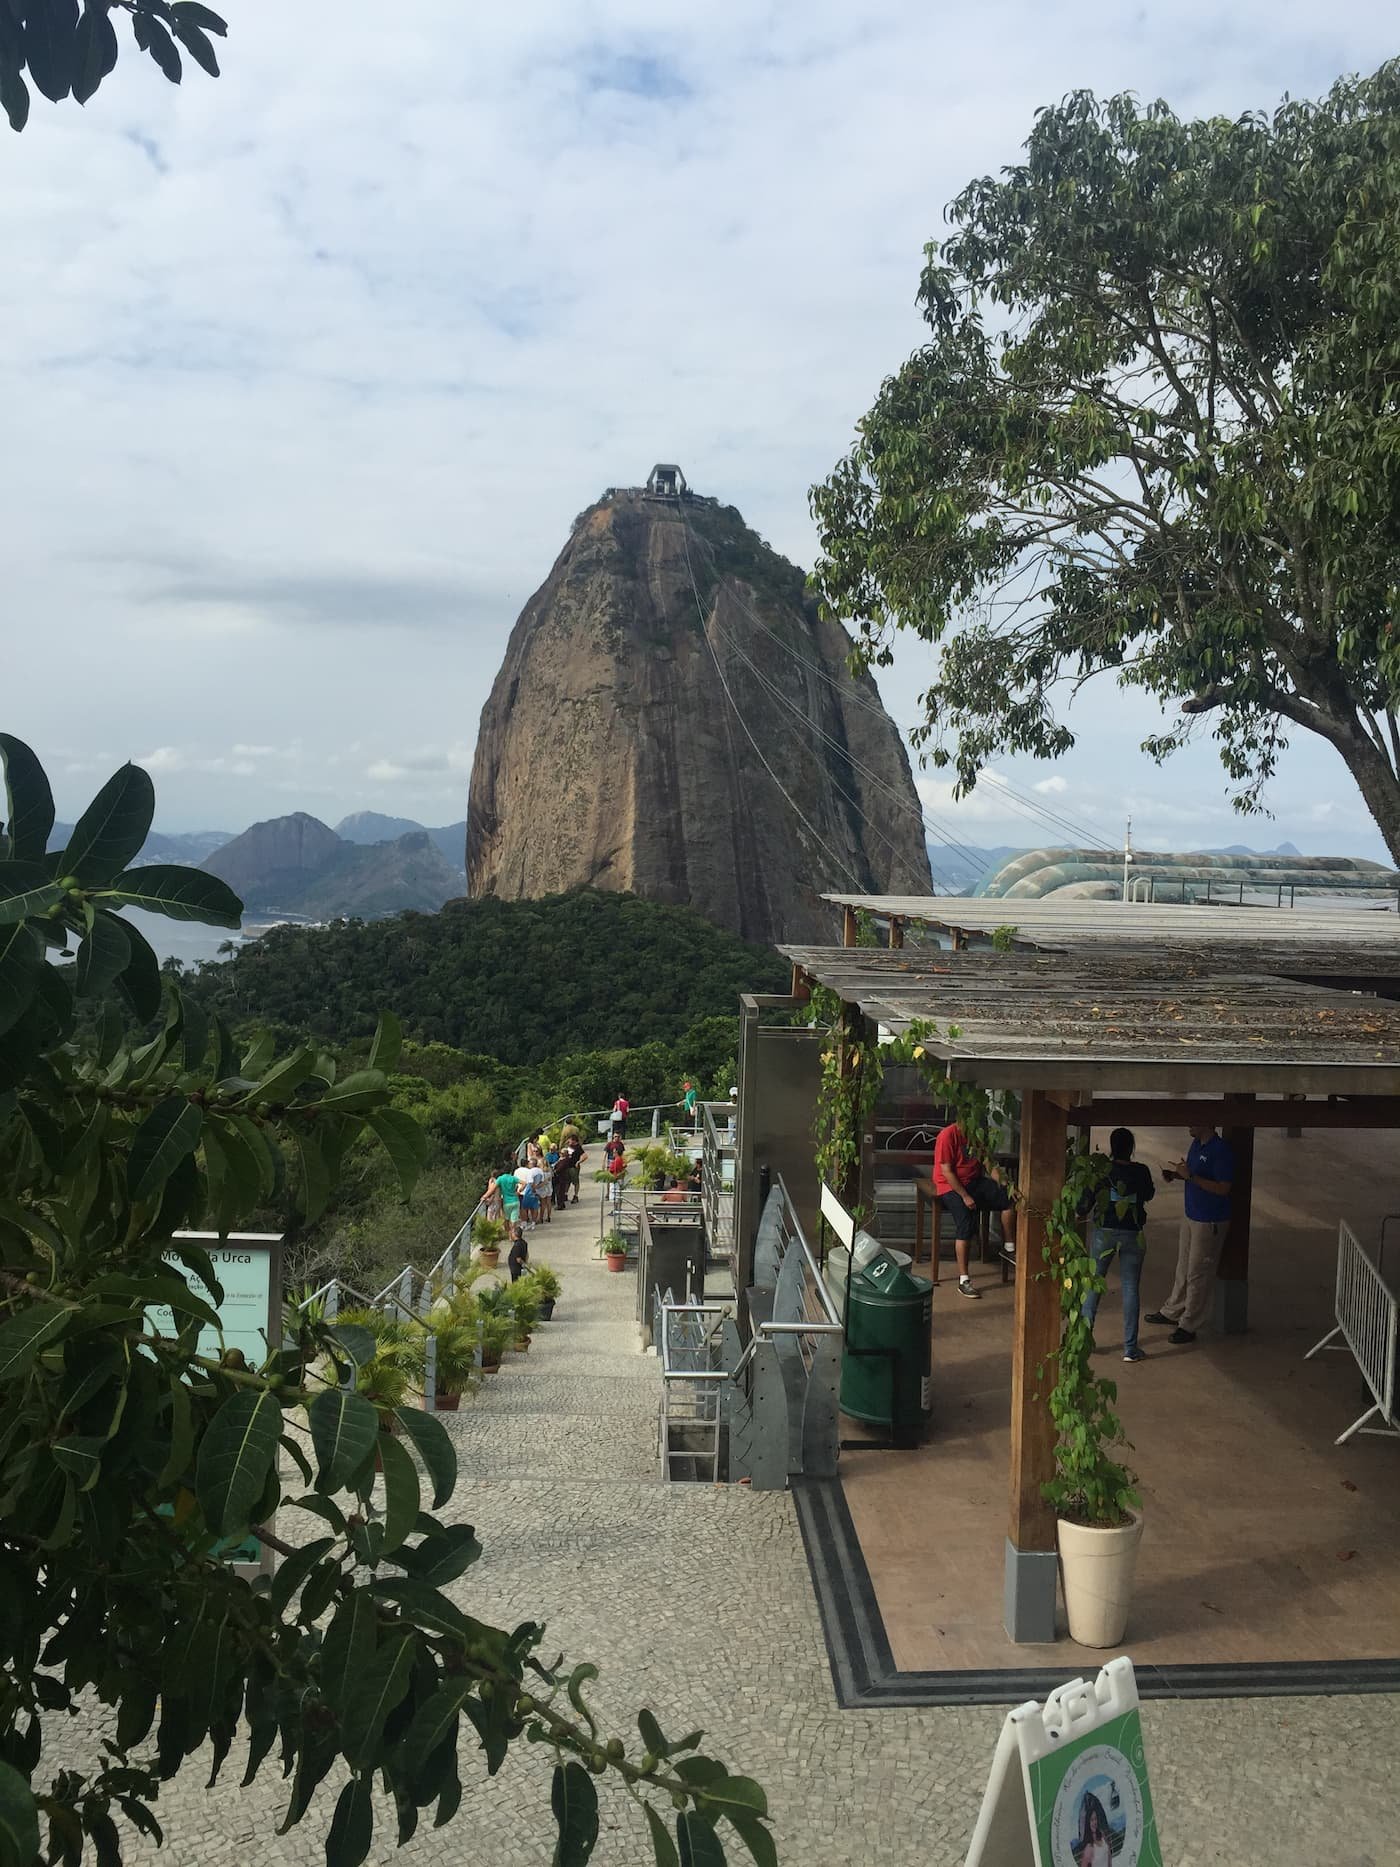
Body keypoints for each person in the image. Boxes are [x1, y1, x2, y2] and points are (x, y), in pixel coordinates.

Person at [1145, 1122, 1235, 1343]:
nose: (1188, 1125)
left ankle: (1190, 1324)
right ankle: (1173, 1310)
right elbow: (1192, 1174)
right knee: (1183, 1266)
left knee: (1198, 1272)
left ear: (1206, 1122)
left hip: (1209, 1219)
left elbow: (1224, 1188)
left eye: (1193, 1120)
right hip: (1191, 1213)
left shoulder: (1221, 1151)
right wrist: (1177, 1175)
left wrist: (1191, 1178)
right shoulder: (1196, 1144)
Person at [1080, 1128, 1155, 1363]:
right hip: (1133, 1233)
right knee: (1130, 1288)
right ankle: (1130, 1348)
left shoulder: (1101, 1171)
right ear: (1131, 1147)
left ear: (1112, 1147)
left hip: (1105, 1232)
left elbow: (1084, 1204)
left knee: (1094, 1284)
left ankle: (1084, 1341)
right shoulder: (1141, 1171)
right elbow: (1149, 1194)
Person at [932, 1120, 1015, 1299]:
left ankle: (1009, 1247)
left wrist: (1006, 1184)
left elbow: (989, 1164)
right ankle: (964, 1280)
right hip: (950, 1185)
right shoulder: (948, 1135)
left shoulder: (977, 1134)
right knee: (966, 1224)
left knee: (1008, 1199)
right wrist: (965, 1196)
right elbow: (946, 1171)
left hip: (973, 1181)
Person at [1077, 1793, 1112, 1867]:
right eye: (1091, 1820)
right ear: (1087, 1823)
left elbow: (1109, 1856)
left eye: (1095, 1819)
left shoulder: (1102, 1834)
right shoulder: (1088, 1848)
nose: (1094, 1822)